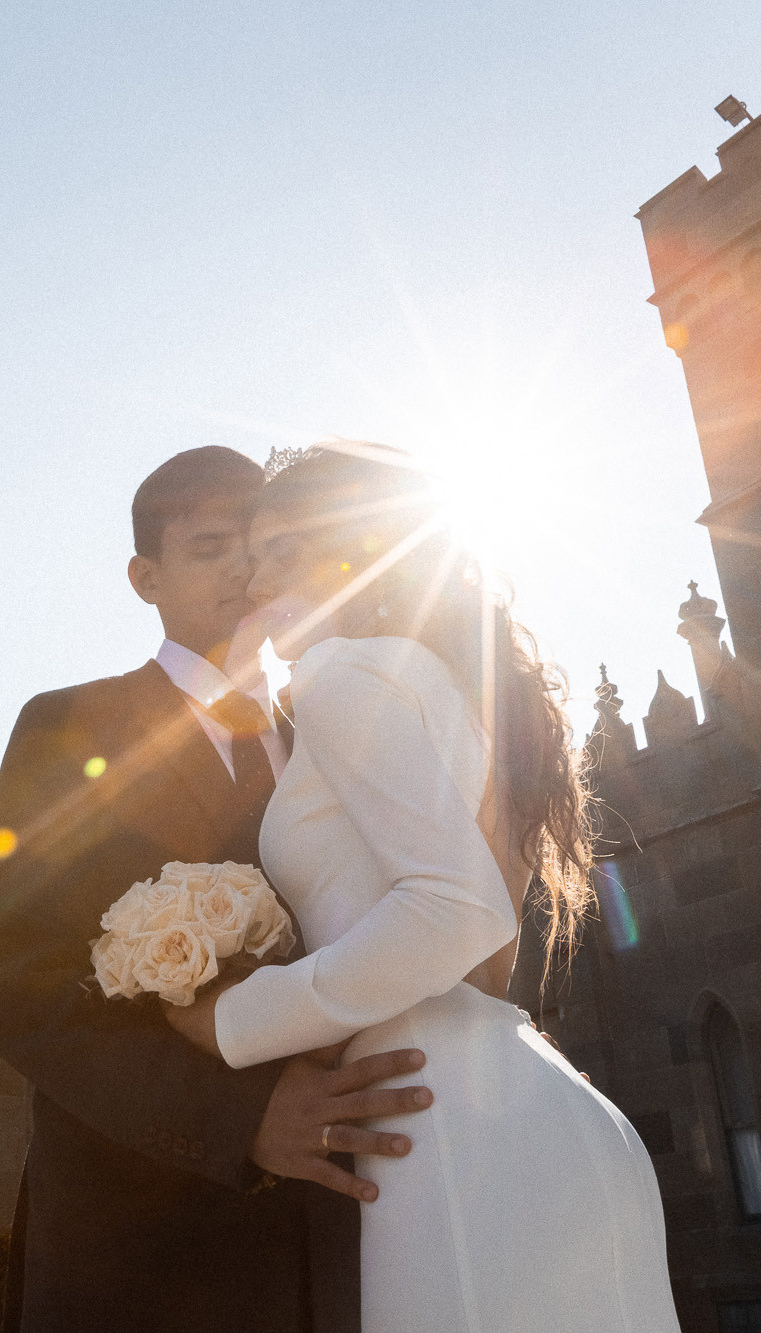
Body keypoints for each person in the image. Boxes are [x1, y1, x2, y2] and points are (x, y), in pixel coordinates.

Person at [163, 442, 683, 1332]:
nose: (253, 583)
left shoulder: (339, 674)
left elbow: (458, 910)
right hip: (528, 1107)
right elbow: (486, 955)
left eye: (281, 552)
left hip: (432, 1127)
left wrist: (236, 1021)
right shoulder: (442, 683)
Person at [0, 446, 434, 1333]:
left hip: (344, 1243)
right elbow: (21, 989)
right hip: (141, 1252)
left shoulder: (335, 727)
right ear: (145, 576)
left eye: (258, 546)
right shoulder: (67, 727)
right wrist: (243, 1117)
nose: (243, 570)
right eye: (210, 546)